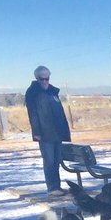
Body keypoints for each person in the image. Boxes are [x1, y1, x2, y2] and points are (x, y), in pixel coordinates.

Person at [24, 65, 71, 197]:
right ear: (36, 78)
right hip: (44, 133)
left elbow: (60, 113)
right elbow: (32, 114)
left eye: (47, 78)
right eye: (42, 78)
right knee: (49, 161)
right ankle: (52, 187)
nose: (45, 81)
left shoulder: (52, 92)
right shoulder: (33, 92)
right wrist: (37, 132)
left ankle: (57, 186)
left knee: (56, 161)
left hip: (57, 132)